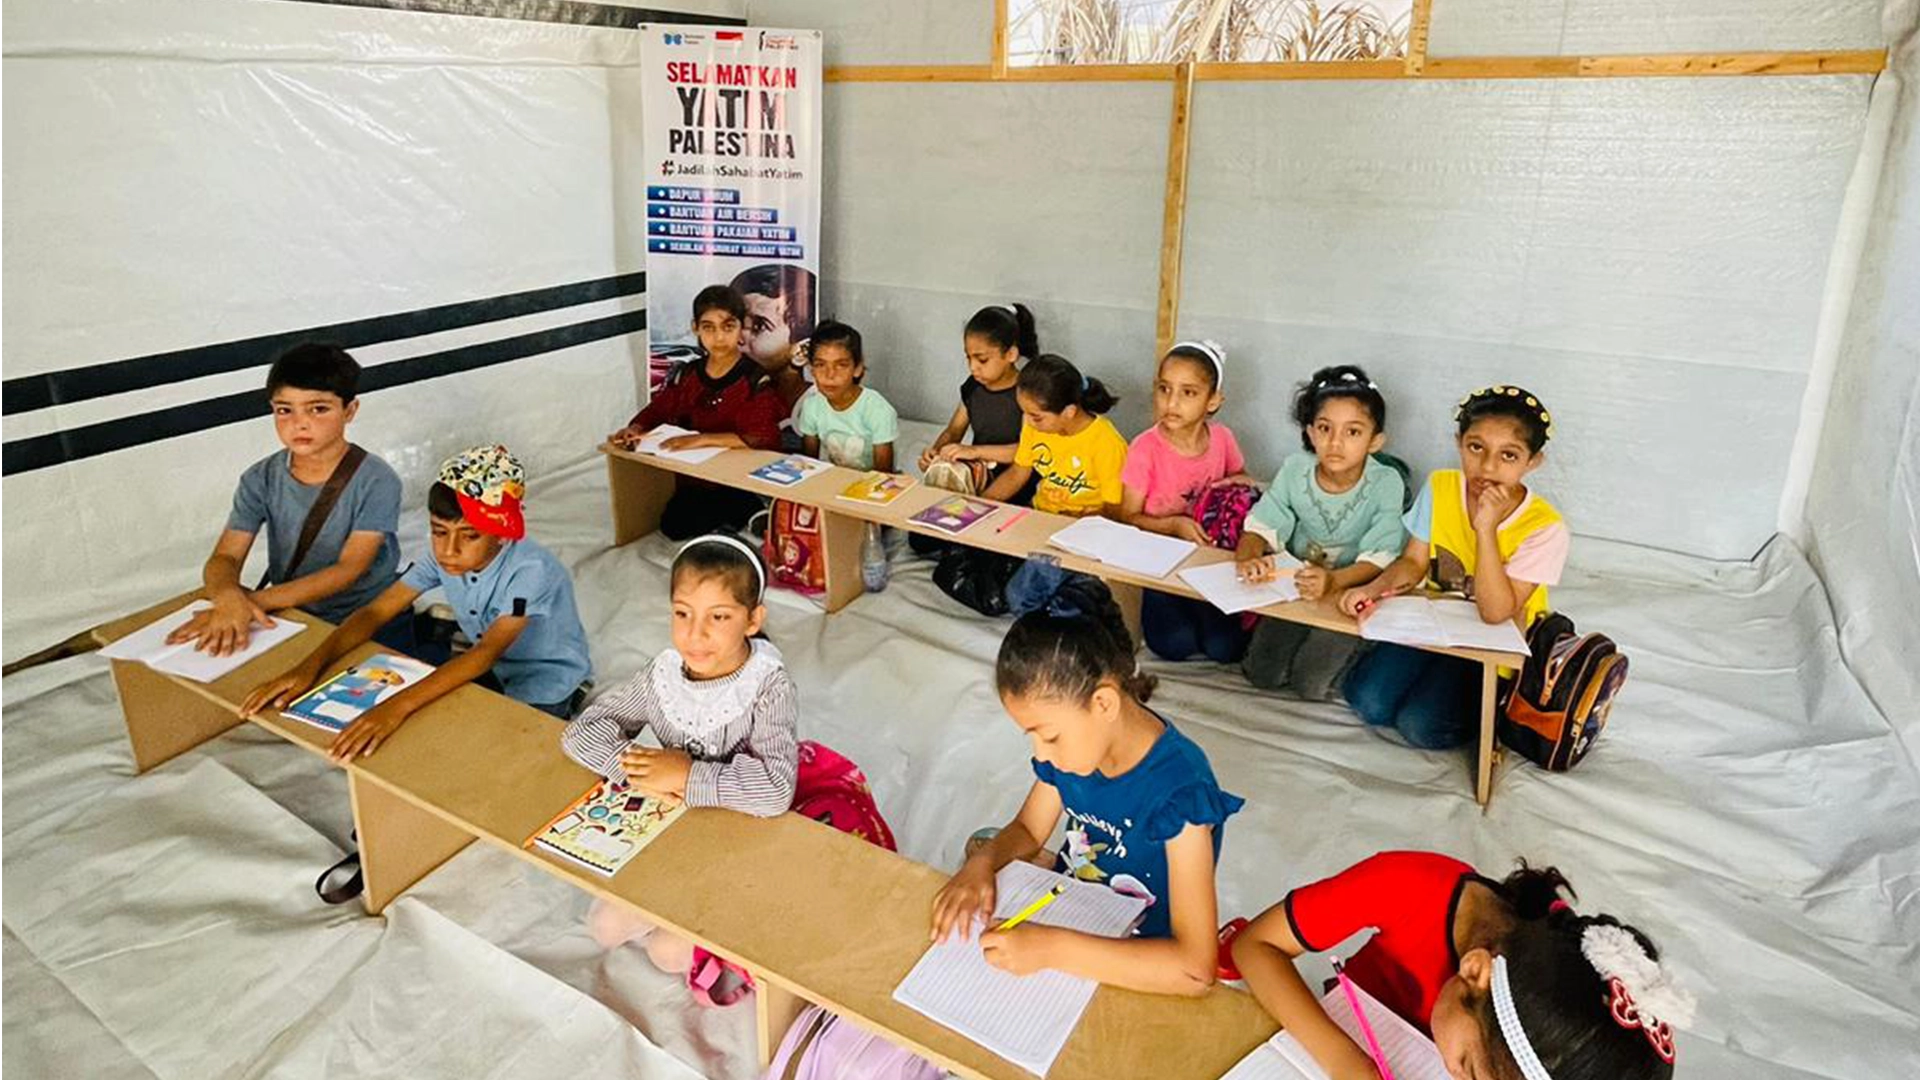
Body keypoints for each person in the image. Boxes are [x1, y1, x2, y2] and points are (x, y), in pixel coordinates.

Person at [930, 572, 1243, 995]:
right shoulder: (1074, 754)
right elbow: (1027, 830)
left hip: (1139, 958)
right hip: (1068, 912)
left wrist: (1052, 949)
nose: (1041, 755)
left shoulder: (1179, 792)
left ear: (1104, 703)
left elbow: (1194, 970)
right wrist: (982, 865)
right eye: (1033, 737)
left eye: (1050, 735)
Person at [241, 444, 594, 760]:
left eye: (470, 535)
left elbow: (485, 653)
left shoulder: (531, 571)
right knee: (417, 716)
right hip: (485, 665)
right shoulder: (440, 558)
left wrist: (394, 709)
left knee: (486, 754)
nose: (448, 549)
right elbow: (376, 611)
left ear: (502, 533)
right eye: (439, 531)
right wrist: (309, 667)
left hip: (543, 681)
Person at [1231, 851, 1692, 1080]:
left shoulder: (1540, 1015)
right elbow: (1255, 946)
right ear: (1474, 972)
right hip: (1348, 1031)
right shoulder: (1410, 886)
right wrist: (1349, 1064)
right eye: (1469, 1069)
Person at [561, 534, 798, 978]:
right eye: (682, 613)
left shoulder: (768, 685)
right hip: (669, 826)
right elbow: (582, 732)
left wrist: (687, 776)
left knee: (669, 954)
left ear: (753, 619)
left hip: (736, 831)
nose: (695, 634)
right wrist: (640, 771)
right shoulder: (663, 674)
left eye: (719, 616)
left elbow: (774, 791)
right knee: (604, 927)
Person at [1338, 385, 1568, 748]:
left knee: (1420, 727)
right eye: (1476, 448)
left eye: (1509, 455)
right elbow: (1413, 562)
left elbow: (1496, 614)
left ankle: (1487, 713)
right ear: (1459, 442)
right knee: (1369, 703)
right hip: (1430, 623)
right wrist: (1372, 589)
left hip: (1490, 644)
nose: (1488, 467)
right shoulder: (1441, 486)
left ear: (1533, 461)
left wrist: (1486, 529)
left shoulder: (1546, 528)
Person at [168, 342, 406, 656]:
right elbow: (225, 557)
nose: (299, 423)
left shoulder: (377, 479)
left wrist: (245, 603)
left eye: (318, 408)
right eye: (284, 410)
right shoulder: (260, 478)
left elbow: (349, 569)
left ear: (350, 411)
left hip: (369, 617)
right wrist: (227, 597)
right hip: (292, 613)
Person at [1237, 365, 1406, 698]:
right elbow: (1262, 523)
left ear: (1376, 441)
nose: (1336, 443)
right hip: (1298, 587)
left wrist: (1334, 582)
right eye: (1325, 428)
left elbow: (1381, 556)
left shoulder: (1386, 482)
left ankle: (1365, 650)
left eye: (1353, 432)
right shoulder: (1295, 468)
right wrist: (1249, 557)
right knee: (1262, 674)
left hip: (1350, 590)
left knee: (1310, 684)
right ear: (1311, 432)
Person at [609, 285, 786, 538]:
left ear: (741, 328)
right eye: (708, 327)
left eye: (728, 326)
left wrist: (701, 439)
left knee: (702, 516)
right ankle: (739, 516)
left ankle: (750, 508)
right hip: (695, 474)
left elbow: (761, 438)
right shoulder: (688, 374)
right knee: (675, 526)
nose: (719, 337)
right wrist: (635, 429)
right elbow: (658, 409)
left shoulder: (755, 379)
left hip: (737, 475)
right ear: (695, 328)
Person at [1118, 340, 1257, 663]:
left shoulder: (1222, 438)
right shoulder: (1145, 448)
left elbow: (1241, 476)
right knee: (1173, 645)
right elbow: (1127, 517)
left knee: (1226, 649)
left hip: (1210, 561)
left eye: (1188, 393)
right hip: (1160, 561)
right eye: (1164, 389)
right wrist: (1174, 524)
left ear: (1213, 400)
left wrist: (1237, 483)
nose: (1172, 402)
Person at [980, 354, 1128, 519]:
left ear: (1069, 412)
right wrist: (982, 503)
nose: (1027, 421)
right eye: (1024, 413)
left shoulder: (1107, 444)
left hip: (1085, 526)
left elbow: (1116, 509)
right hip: (1040, 514)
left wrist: (1074, 520)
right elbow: (1018, 472)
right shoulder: (1034, 426)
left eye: (1035, 416)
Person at [793, 319, 899, 471]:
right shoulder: (812, 406)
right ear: (811, 370)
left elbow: (884, 475)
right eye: (820, 365)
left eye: (841, 365)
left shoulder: (877, 410)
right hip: (835, 483)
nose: (830, 375)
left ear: (857, 369)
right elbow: (809, 463)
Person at [731, 263, 817, 408]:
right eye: (734, 323)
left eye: (758, 327)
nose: (737, 338)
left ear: (802, 351)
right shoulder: (751, 394)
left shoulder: (816, 408)